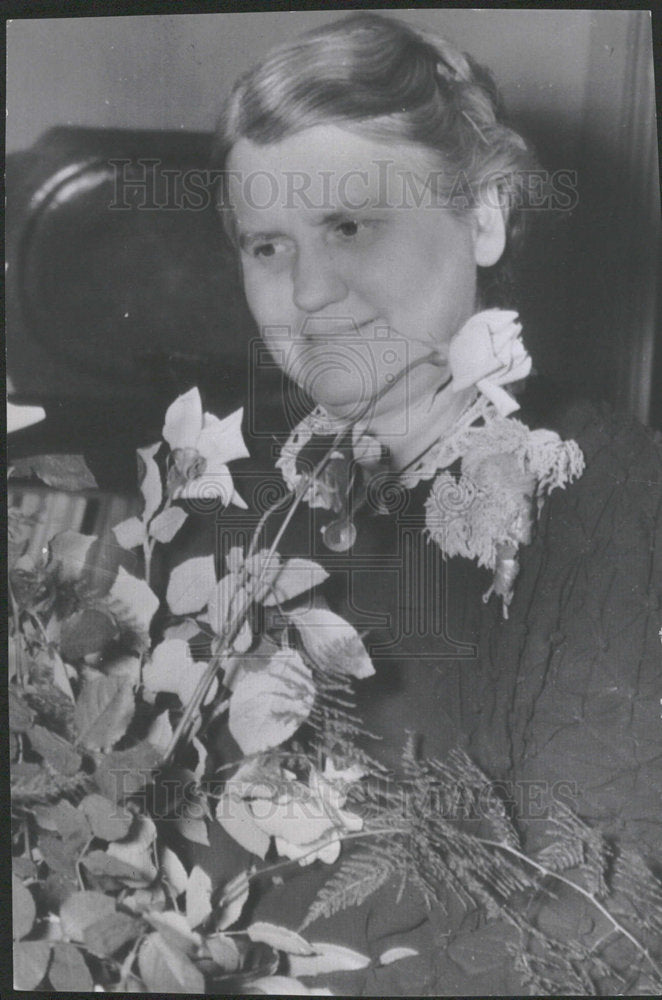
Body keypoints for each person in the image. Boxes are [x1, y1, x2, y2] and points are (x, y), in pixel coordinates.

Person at [192, 12, 662, 995]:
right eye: (266, 246)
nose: (308, 291)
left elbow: (599, 940)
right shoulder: (258, 509)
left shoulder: (606, 501)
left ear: (482, 216)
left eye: (350, 225)